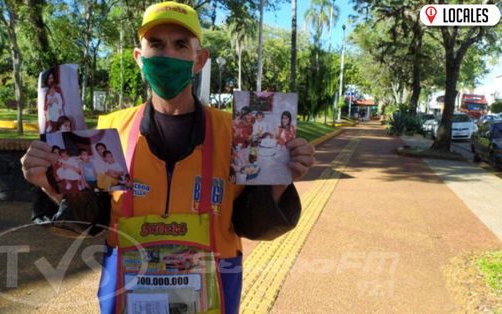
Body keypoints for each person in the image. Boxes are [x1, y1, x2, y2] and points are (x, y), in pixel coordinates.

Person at [21, 2, 315, 313]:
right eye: (156, 44)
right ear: (139, 57)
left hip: (213, 294)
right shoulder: (112, 129)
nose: (167, 55)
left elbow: (249, 222)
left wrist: (281, 180)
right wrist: (50, 186)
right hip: (129, 293)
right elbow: (91, 217)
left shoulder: (235, 133)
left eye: (180, 45)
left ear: (199, 59)